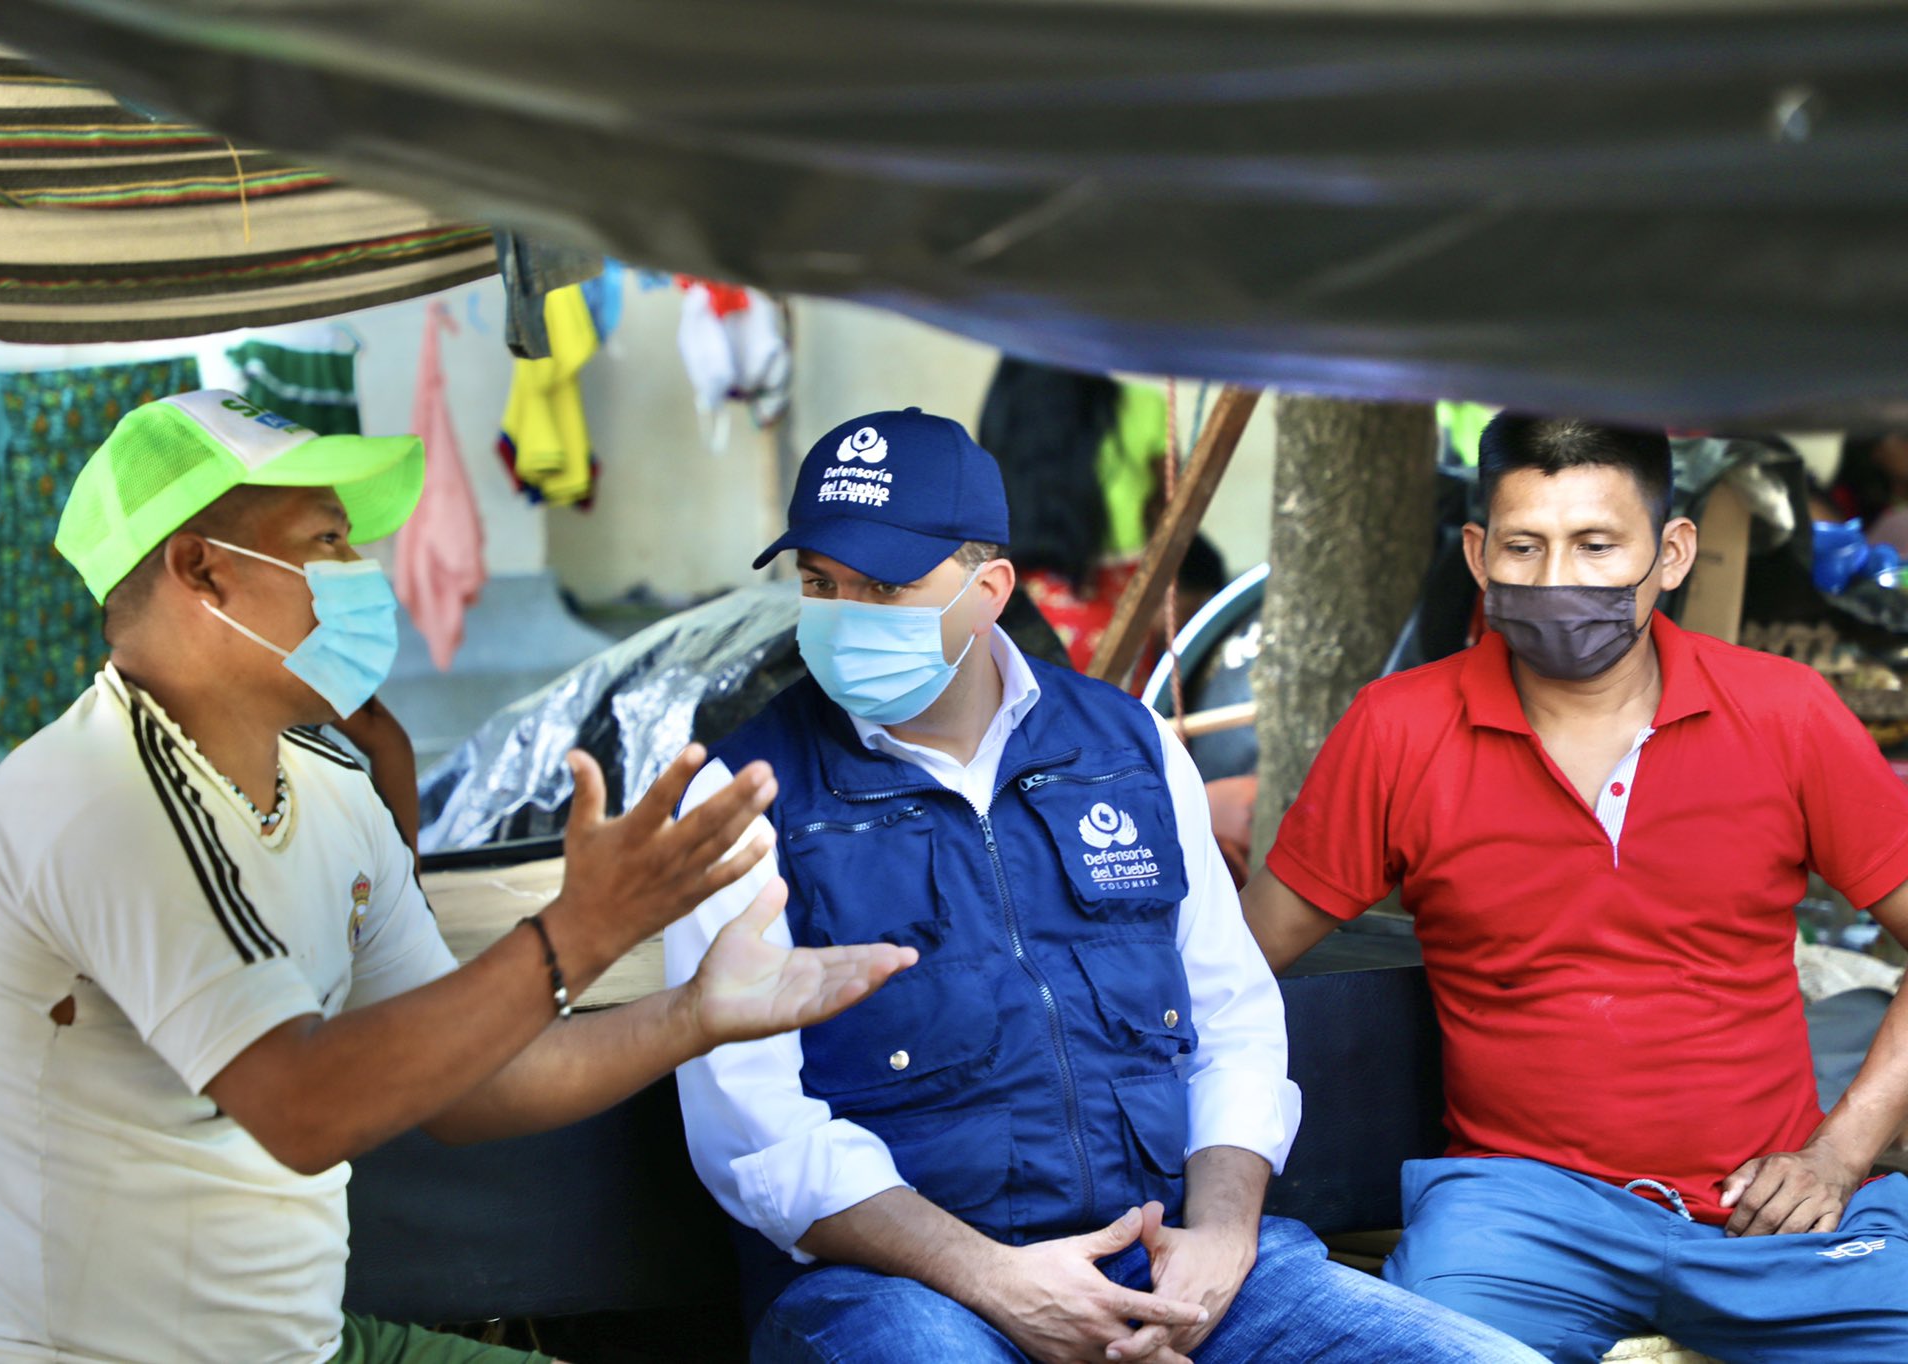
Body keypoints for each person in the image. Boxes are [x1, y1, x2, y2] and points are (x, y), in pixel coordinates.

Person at [0, 390, 914, 1364]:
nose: (360, 571)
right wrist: (576, 934)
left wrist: (695, 1013)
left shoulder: (327, 781)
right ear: (202, 571)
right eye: (324, 543)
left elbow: (467, 1082)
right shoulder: (99, 794)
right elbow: (299, 1107)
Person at [663, 407, 1543, 1364]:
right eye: (821, 584)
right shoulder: (742, 798)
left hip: (1176, 1267)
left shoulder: (1130, 750)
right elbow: (756, 1137)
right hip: (909, 1294)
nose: (845, 617)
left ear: (988, 587)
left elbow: (1234, 1023)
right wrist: (998, 1282)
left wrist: (1220, 1243)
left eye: (884, 585)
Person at [1242, 414, 1908, 1364]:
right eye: (1526, 545)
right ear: (1478, 556)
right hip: (1519, 1215)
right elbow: (1235, 963)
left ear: (1672, 553)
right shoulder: (1401, 728)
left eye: (1598, 544)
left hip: (1771, 1215)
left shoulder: (1785, 711)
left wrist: (1839, 1157)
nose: (1560, 578)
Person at [975, 357, 1225, 678]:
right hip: (1123, 615)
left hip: (1011, 615)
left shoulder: (1003, 407)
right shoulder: (1143, 406)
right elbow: (1172, 518)